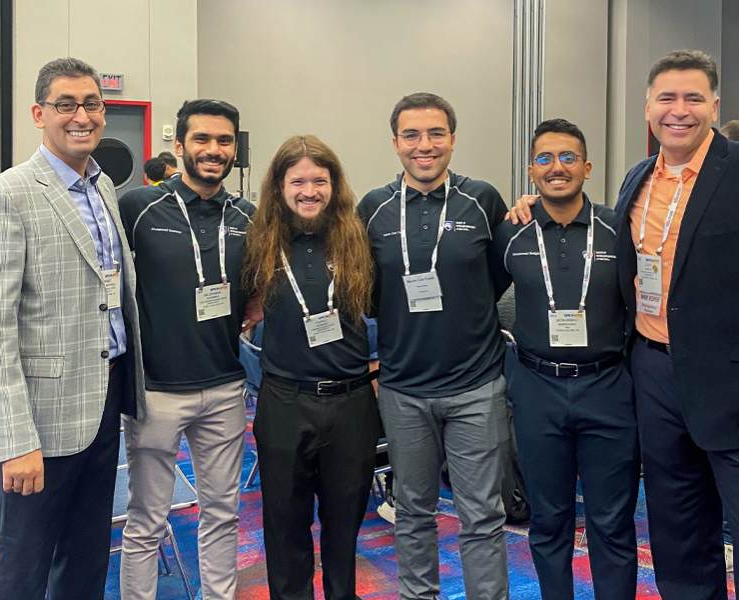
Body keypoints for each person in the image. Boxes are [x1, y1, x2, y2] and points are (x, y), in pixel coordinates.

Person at [613, 50, 739, 599]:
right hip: (655, 374)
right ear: (647, 107)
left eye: (694, 98)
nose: (679, 110)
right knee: (678, 532)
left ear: (715, 105)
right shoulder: (636, 178)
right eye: (667, 98)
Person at [0, 57, 144, 600]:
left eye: (92, 104)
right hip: (39, 422)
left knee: (85, 558)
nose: (82, 116)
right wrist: (13, 442)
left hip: (103, 401)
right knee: (24, 565)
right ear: (39, 113)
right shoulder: (9, 194)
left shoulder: (102, 188)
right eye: (66, 105)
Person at [358, 92, 510, 600]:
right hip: (403, 390)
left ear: (452, 138)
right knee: (412, 515)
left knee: (483, 517)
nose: (425, 146)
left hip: (476, 387)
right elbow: (370, 293)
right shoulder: (373, 208)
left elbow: (498, 279)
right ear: (396, 142)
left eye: (436, 134)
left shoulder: (483, 200)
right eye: (412, 135)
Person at [491, 118, 640, 600]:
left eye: (568, 157)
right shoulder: (509, 233)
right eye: (545, 158)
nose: (557, 167)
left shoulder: (620, 228)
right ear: (531, 171)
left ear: (588, 167)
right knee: (548, 519)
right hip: (537, 390)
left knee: (611, 522)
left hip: (608, 388)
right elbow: (480, 304)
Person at [118, 99, 257, 600]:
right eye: (201, 139)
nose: (213, 150)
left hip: (224, 386)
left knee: (222, 514)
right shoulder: (136, 207)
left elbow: (260, 280)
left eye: (224, 141)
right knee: (147, 521)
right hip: (156, 390)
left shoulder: (248, 214)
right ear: (179, 146)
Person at [243, 135, 381, 600]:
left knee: (345, 525)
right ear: (279, 187)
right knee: (284, 525)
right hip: (284, 401)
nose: (308, 191)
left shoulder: (360, 237)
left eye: (319, 181)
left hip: (352, 404)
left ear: (334, 184)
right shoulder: (257, 241)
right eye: (297, 180)